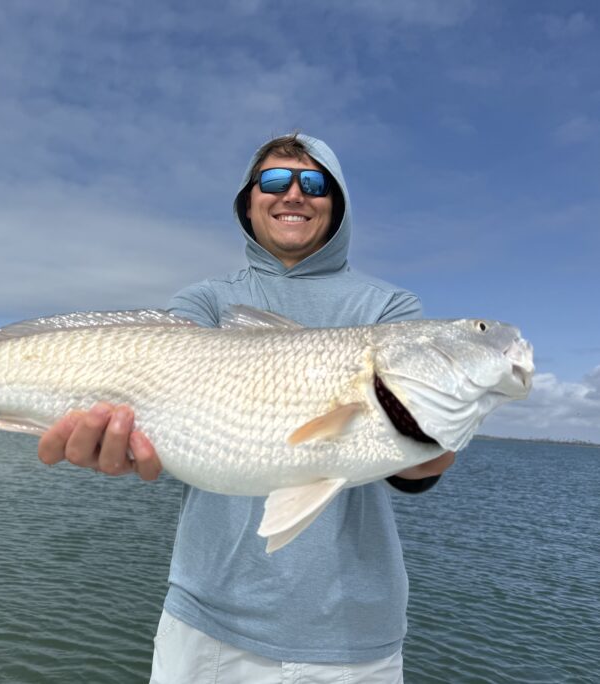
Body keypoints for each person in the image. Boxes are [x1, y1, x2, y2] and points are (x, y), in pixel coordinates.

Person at [37, 133, 455, 683]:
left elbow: (410, 464)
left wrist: (430, 450)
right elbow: (147, 393)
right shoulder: (206, 302)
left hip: (352, 632)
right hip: (206, 620)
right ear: (250, 199)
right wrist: (107, 433)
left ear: (338, 202)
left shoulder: (391, 309)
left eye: (315, 183)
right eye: (276, 181)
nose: (295, 195)